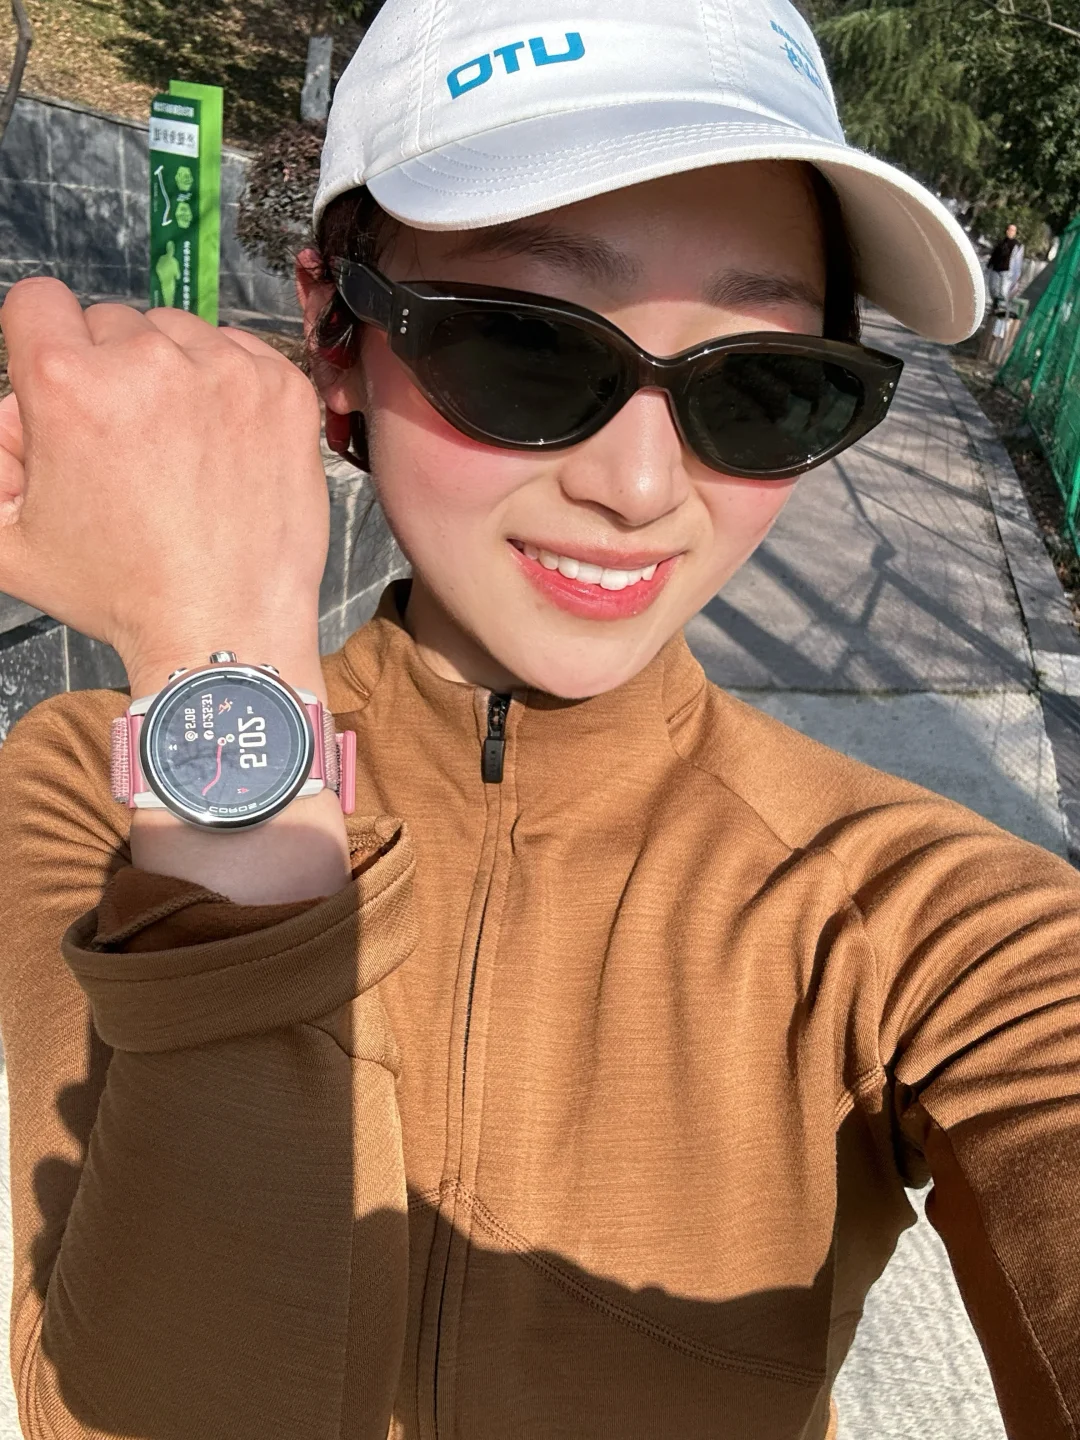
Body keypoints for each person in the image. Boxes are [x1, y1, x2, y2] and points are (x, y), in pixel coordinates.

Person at [0, 2, 1075, 1439]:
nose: (641, 486)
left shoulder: (923, 918)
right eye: (524, 348)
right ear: (333, 331)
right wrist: (219, 655)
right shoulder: (97, 789)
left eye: (765, 388)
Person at [988, 222, 1026, 307]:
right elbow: (994, 255)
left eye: (1013, 230)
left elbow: (1018, 261)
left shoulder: (1017, 245)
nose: (1010, 232)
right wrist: (989, 265)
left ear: (1015, 233)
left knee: (1003, 291)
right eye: (1009, 230)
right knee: (993, 289)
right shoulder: (1001, 242)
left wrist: (1017, 275)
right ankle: (994, 305)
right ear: (1006, 231)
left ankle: (1002, 307)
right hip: (996, 269)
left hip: (1007, 271)